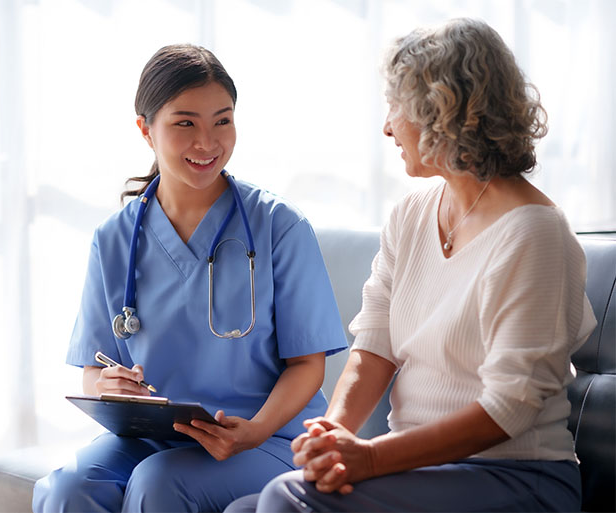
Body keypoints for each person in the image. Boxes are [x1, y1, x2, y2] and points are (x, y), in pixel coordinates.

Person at [225, 18, 597, 513]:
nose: (386, 126)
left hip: (517, 475)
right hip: (419, 469)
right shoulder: (411, 215)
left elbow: (510, 406)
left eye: (396, 107)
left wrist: (372, 460)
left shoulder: (535, 234)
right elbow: (375, 348)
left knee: (285, 501)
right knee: (244, 509)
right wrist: (333, 434)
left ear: (442, 111)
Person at [32, 44, 347, 513]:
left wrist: (254, 431)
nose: (208, 142)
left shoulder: (280, 226)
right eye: (185, 123)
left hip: (267, 438)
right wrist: (109, 387)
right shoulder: (114, 239)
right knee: (69, 487)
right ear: (146, 129)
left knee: (161, 484)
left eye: (222, 121)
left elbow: (308, 365)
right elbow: (93, 371)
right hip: (155, 437)